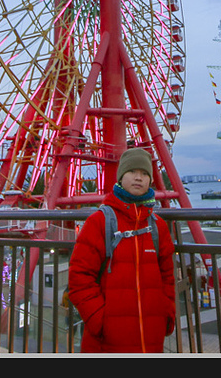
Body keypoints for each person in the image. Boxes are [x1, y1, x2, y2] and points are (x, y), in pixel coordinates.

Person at [67, 148, 176, 353]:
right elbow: (79, 277)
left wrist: (167, 314)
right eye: (132, 171)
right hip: (107, 340)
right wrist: (99, 320)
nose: (138, 177)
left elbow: (168, 277)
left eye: (144, 173)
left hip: (151, 335)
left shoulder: (158, 227)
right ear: (120, 177)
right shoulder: (99, 222)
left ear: (150, 180)